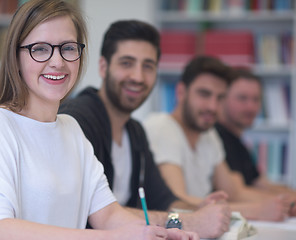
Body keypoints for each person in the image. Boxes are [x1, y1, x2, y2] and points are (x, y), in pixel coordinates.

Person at [0, 1, 199, 240]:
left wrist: (163, 233)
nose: (57, 62)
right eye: (40, 49)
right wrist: (112, 238)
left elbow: (109, 215)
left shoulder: (72, 130)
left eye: (68, 48)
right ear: (16, 58)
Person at [59, 20, 231, 239]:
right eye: (127, 63)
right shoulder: (77, 120)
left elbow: (165, 200)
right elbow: (87, 213)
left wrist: (197, 209)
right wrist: (188, 221)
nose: (138, 77)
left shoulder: (135, 131)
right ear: (103, 67)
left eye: (148, 66)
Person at [143, 55, 291, 222]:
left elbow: (235, 192)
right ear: (181, 92)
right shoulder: (162, 127)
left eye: (220, 97)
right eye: (204, 94)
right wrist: (257, 210)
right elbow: (177, 201)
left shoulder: (209, 134)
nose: (212, 106)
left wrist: (283, 204)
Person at [216, 67, 296, 216]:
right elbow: (236, 193)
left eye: (256, 99)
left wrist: (291, 195)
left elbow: (259, 182)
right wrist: (288, 202)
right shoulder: (217, 137)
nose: (251, 107)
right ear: (222, 98)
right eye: (242, 98)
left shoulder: (237, 141)